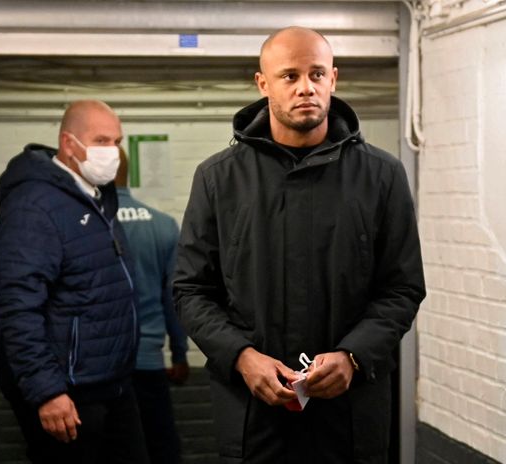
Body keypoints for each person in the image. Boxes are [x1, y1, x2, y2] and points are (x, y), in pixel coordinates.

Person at [173, 26, 426, 463]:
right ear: (263, 83)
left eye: (316, 74)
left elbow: (402, 288)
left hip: (349, 417)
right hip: (254, 417)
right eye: (289, 76)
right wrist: (241, 356)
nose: (305, 87)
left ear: (333, 79)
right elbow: (191, 289)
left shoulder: (382, 177)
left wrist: (353, 354)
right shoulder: (219, 179)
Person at [0, 100, 149, 463]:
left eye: (117, 141)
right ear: (68, 143)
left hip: (110, 381)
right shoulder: (34, 206)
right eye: (102, 140)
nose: (113, 152)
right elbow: (17, 308)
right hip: (68, 392)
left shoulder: (94, 198)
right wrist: (47, 392)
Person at [114, 147, 190, 464]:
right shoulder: (162, 224)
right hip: (149, 362)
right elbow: (174, 297)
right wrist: (180, 353)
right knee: (159, 448)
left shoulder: (86, 224)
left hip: (100, 369)